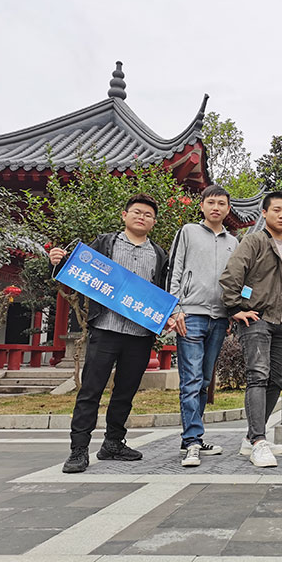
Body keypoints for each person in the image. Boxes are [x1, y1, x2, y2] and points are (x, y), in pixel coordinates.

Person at [50, 194, 170, 474]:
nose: (142, 217)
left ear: (154, 222)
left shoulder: (160, 255)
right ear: (124, 215)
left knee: (125, 391)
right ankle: (78, 450)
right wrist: (58, 262)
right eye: (137, 212)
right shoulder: (105, 244)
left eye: (148, 215)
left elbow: (162, 292)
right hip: (105, 328)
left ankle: (113, 442)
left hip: (140, 334)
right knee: (91, 390)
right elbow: (76, 272)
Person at [219, 192, 282, 467]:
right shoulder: (254, 242)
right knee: (258, 376)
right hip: (257, 320)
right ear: (264, 213)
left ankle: (252, 437)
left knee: (278, 377)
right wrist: (235, 307)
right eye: (276, 210)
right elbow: (231, 275)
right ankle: (259, 440)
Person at [167, 185, 238, 467]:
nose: (216, 208)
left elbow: (237, 280)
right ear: (202, 206)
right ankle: (192, 441)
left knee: (205, 380)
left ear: (228, 209)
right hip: (190, 314)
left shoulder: (233, 242)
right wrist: (175, 308)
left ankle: (193, 437)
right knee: (192, 379)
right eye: (211, 202)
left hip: (219, 318)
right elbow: (174, 270)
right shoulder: (187, 232)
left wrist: (237, 309)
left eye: (221, 203)